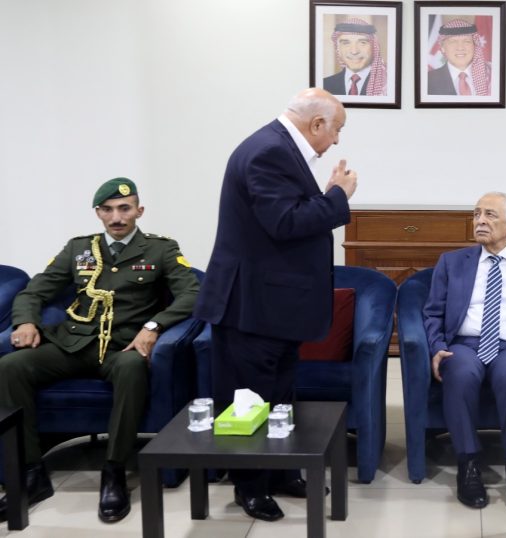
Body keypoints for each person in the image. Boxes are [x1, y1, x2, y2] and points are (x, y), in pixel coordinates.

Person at [194, 88, 356, 522]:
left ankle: (281, 472)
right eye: (336, 129)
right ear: (316, 124)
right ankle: (250, 486)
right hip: (251, 307)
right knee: (248, 400)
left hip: (274, 306)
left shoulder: (277, 147)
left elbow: (285, 213)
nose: (336, 140)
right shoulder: (269, 152)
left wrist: (326, 196)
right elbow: (285, 222)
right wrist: (337, 197)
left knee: (279, 395)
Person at [0, 178, 199, 524]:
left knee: (132, 368)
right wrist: (25, 322)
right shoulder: (78, 249)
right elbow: (35, 291)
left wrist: (154, 326)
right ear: (98, 213)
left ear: (139, 211)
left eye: (124, 208)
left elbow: (192, 294)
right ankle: (31, 473)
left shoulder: (161, 249)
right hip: (74, 344)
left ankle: (114, 471)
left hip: (123, 346)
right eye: (107, 210)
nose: (116, 217)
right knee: (10, 366)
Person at [424, 192, 506, 510]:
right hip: (465, 343)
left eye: (490, 215)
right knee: (459, 371)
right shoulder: (452, 261)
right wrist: (438, 347)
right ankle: (468, 464)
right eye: (476, 214)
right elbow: (432, 312)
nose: (480, 221)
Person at [322, 18, 387, 96]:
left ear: (374, 47)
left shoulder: (387, 85)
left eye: (362, 43)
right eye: (346, 43)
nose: (354, 51)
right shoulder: (324, 85)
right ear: (338, 48)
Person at [427, 19, 491, 96]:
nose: (460, 48)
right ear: (443, 48)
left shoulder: (491, 76)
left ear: (475, 46)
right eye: (453, 42)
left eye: (467, 41)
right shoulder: (428, 81)